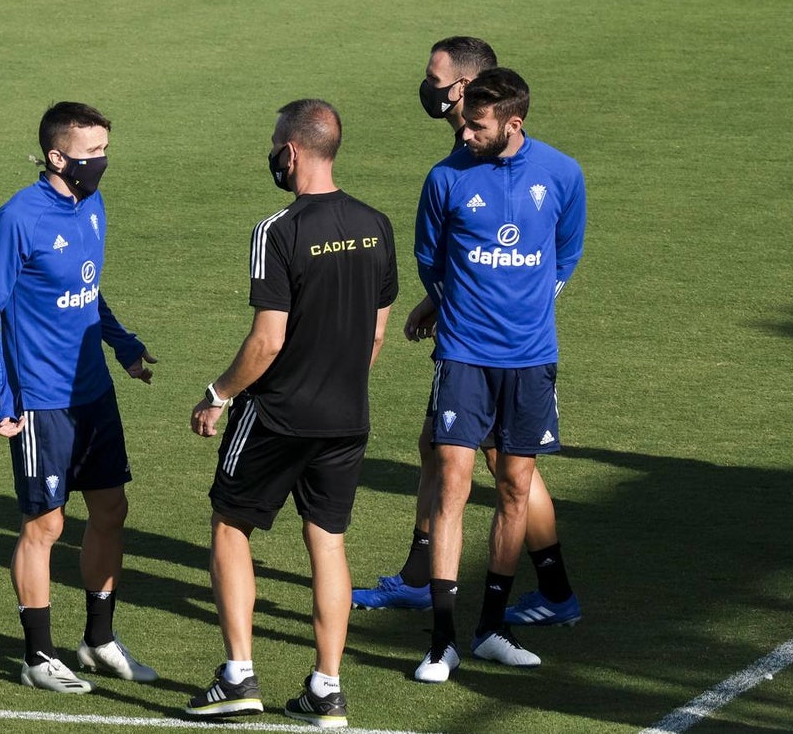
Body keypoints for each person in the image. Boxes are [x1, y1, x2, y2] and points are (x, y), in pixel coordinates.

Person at [352, 37, 582, 635]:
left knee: (500, 464)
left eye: (435, 79)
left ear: (465, 88)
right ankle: (424, 576)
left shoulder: (502, 155)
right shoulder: (460, 160)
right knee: (441, 448)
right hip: (465, 329)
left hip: (490, 343)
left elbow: (557, 252)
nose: (426, 88)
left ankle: (527, 590)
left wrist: (473, 301)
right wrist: (442, 295)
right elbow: (449, 249)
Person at [183, 99, 397, 728]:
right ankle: (327, 690)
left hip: (277, 414)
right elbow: (377, 333)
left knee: (230, 525)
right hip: (347, 416)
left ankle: (238, 676)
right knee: (327, 541)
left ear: (293, 151)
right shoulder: (377, 224)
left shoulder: (278, 230)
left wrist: (218, 395)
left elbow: (267, 341)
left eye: (276, 143)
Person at [0, 101, 159, 694]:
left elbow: (88, 292)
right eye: (91, 152)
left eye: (105, 149)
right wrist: (2, 398)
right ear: (57, 156)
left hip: (93, 393)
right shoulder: (16, 219)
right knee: (45, 525)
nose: (101, 161)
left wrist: (123, 345)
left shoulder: (93, 205)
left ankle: (98, 641)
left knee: (111, 511)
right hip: (40, 402)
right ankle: (37, 656)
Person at [410, 67, 586, 683]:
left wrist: (533, 300)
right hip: (463, 353)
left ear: (514, 123)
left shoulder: (562, 173)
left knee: (515, 485)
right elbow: (430, 257)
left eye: (478, 126)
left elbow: (567, 250)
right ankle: (440, 641)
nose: (467, 134)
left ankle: (489, 628)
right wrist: (458, 303)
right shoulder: (446, 176)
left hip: (531, 357)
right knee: (454, 478)